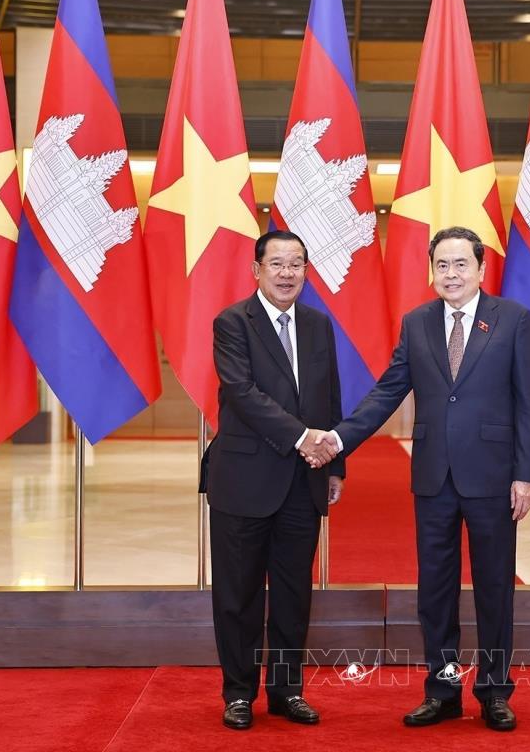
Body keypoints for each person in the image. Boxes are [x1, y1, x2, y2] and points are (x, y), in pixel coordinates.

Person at [318, 225, 530, 731]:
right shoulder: (416, 323)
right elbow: (387, 391)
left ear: (481, 269)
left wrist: (526, 474)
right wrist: (338, 438)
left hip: (493, 477)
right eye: (442, 265)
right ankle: (442, 692)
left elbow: (527, 403)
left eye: (462, 264)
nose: (452, 274)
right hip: (434, 478)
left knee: (494, 589)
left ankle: (494, 692)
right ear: (431, 271)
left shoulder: (513, 319)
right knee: (435, 592)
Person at [201, 230, 343, 730]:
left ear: (306, 271)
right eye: (277, 263)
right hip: (244, 479)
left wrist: (335, 463)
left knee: (292, 594)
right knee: (238, 595)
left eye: (296, 264)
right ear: (256, 270)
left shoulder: (318, 324)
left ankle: (286, 691)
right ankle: (239, 694)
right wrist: (303, 437)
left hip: (305, 481)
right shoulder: (232, 322)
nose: (287, 273)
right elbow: (242, 393)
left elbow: (330, 396)